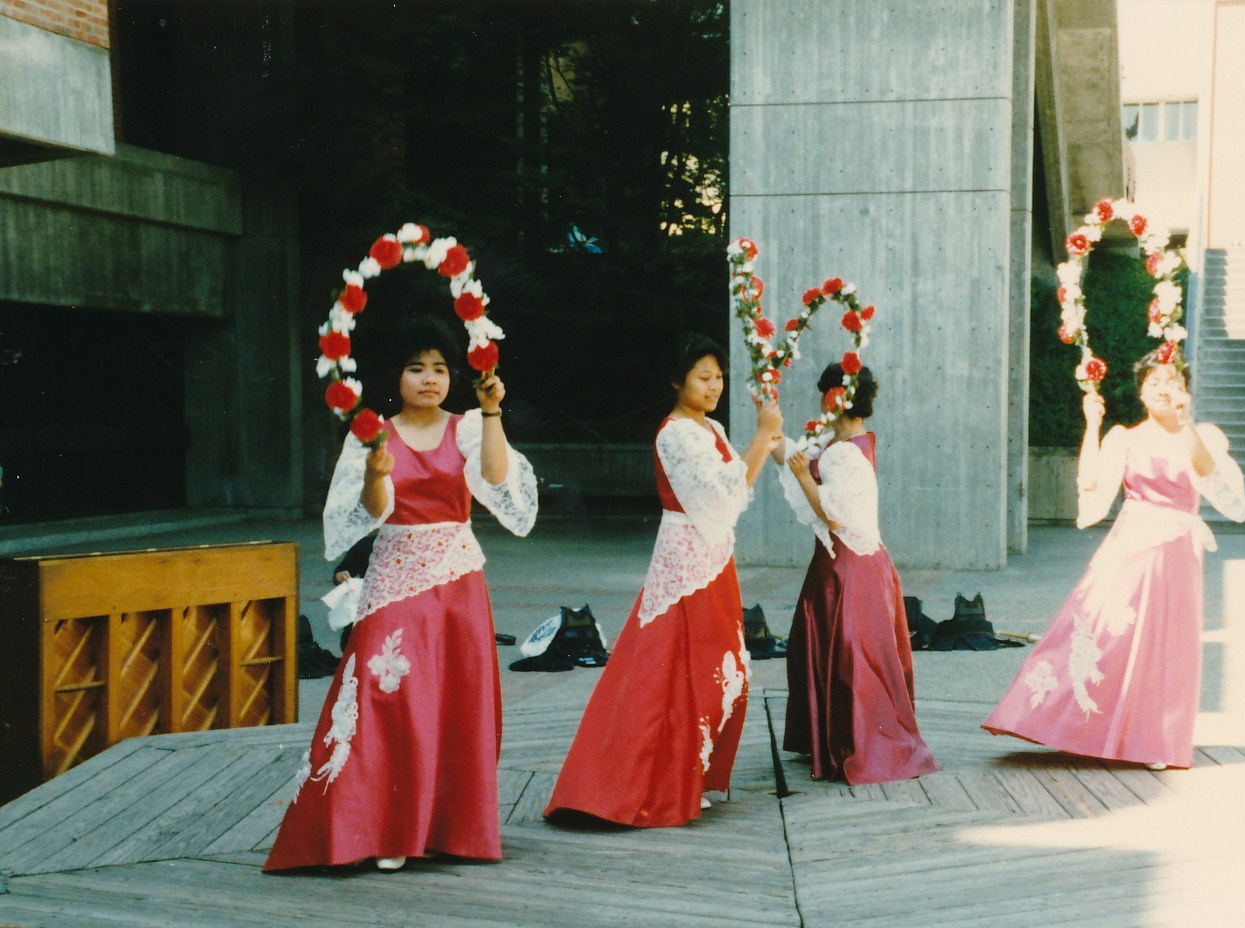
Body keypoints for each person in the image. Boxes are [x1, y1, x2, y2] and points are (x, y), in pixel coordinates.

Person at [264, 317, 537, 872]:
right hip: (395, 579)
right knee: (388, 698)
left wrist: (492, 412)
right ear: (397, 376)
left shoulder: (467, 426)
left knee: (453, 702)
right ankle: (385, 828)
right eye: (416, 368)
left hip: (458, 582)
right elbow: (370, 510)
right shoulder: (373, 434)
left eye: (439, 369)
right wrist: (375, 471)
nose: (429, 379)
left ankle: (447, 830)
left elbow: (494, 478)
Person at [544, 334, 782, 826]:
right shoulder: (675, 434)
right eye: (703, 377)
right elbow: (721, 498)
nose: (714, 386)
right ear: (677, 381)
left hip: (713, 557)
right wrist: (761, 438)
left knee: (716, 669)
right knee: (672, 669)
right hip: (685, 562)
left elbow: (733, 491)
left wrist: (766, 442)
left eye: (719, 377)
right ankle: (639, 785)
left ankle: (688, 776)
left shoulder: (711, 428)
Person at [982, 353, 1245, 770]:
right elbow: (1091, 483)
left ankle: (1156, 741)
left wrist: (1186, 424)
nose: (1162, 389)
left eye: (1172, 382)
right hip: (1130, 548)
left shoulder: (1202, 436)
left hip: (1177, 551)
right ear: (1141, 391)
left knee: (1166, 645)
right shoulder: (1126, 438)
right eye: (1153, 381)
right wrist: (1092, 424)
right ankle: (1062, 723)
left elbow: (1211, 478)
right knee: (1101, 633)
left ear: (1186, 391)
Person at [773, 363, 938, 784]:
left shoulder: (845, 453)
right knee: (849, 654)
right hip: (858, 563)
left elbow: (833, 515)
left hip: (848, 569)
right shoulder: (851, 445)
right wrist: (775, 441)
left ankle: (852, 741)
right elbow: (802, 462)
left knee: (849, 657)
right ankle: (839, 736)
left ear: (834, 398)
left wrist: (799, 473)